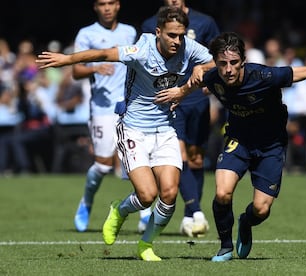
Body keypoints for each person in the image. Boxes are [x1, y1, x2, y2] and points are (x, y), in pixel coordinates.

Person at [155, 32, 306, 262]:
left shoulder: (265, 75)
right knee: (222, 192)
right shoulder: (214, 77)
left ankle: (245, 222)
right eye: (222, 64)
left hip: (271, 145)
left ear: (243, 60)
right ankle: (225, 247)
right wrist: (180, 93)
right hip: (238, 140)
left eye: (233, 63)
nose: (228, 69)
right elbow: (198, 80)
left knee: (261, 210)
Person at [36, 6, 214, 261]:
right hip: (134, 129)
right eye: (172, 35)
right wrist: (66, 60)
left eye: (181, 36)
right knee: (146, 195)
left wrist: (196, 75)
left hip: (165, 129)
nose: (177, 41)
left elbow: (216, 61)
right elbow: (103, 53)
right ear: (158, 32)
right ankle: (119, 210)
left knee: (170, 194)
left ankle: (146, 245)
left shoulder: (189, 47)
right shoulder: (141, 50)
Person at [139, 0, 220, 237]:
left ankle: (187, 215)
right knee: (179, 155)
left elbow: (218, 55)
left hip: (196, 99)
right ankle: (196, 211)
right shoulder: (149, 24)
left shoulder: (205, 22)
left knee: (195, 159)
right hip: (169, 98)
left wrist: (208, 78)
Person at [71, 0, 137, 232]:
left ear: (118, 5)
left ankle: (146, 213)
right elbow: (76, 70)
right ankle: (86, 201)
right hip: (101, 109)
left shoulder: (130, 32)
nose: (107, 8)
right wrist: (94, 67)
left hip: (129, 107)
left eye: (111, 3)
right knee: (103, 166)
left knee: (136, 164)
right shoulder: (87, 33)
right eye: (102, 4)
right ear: (95, 7)